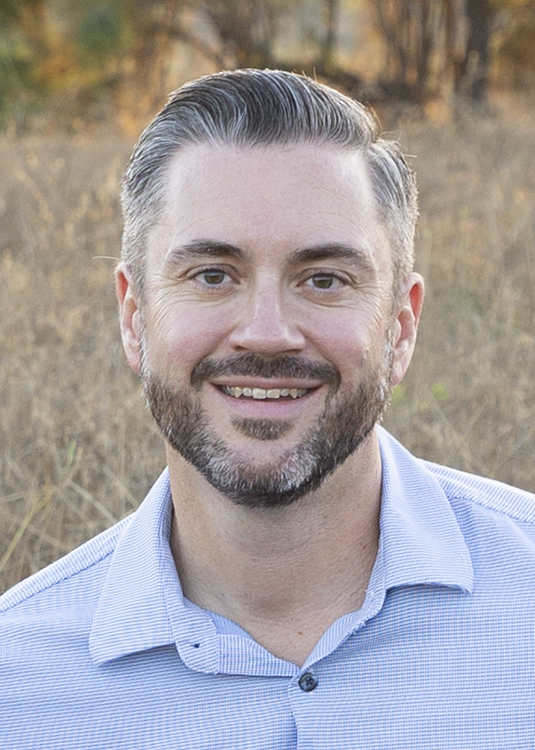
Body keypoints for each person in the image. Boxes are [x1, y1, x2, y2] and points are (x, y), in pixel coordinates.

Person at [1, 69, 534, 749]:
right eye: (212, 275)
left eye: (323, 280)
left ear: (400, 326)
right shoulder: (18, 686)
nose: (266, 333)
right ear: (134, 317)